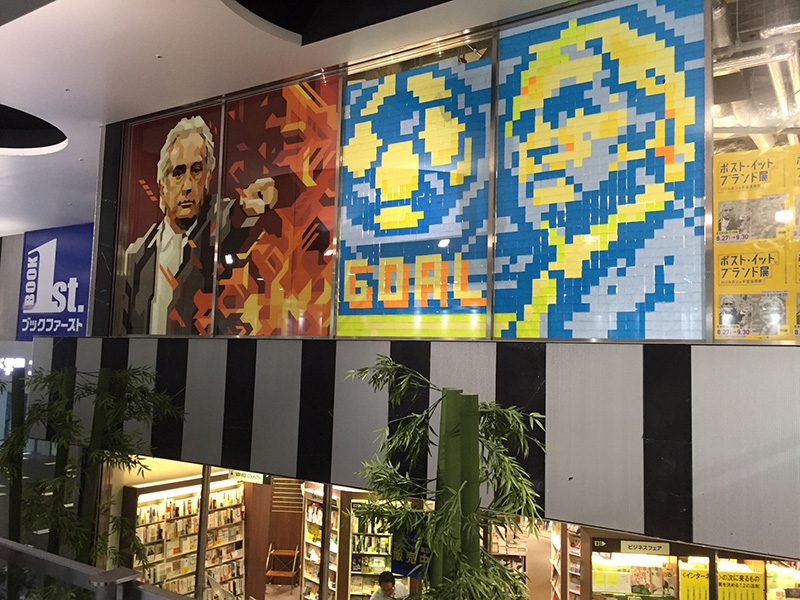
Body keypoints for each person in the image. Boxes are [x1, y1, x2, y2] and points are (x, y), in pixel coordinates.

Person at [122, 115, 276, 334]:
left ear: (207, 177)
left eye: (196, 170)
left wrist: (250, 205)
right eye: (177, 173)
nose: (187, 185)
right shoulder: (136, 256)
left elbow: (233, 215)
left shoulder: (216, 226)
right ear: (162, 185)